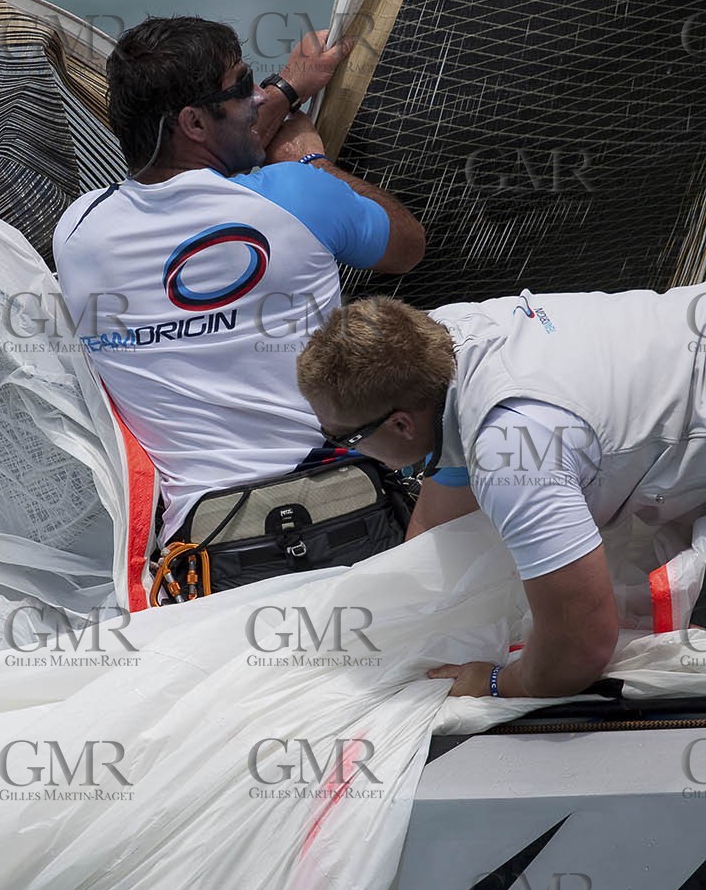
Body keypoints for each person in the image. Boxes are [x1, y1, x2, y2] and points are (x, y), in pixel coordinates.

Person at [52, 16, 425, 601]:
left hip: (207, 557)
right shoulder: (299, 193)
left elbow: (192, 167)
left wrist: (287, 88)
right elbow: (407, 245)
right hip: (344, 515)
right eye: (244, 84)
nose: (257, 98)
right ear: (194, 121)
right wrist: (310, 161)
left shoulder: (78, 232)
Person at [295, 284, 706, 698]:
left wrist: (495, 682)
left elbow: (582, 645)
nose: (344, 446)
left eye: (348, 438)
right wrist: (407, 621)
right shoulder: (439, 337)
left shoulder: (513, 456)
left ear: (401, 424)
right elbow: (440, 513)